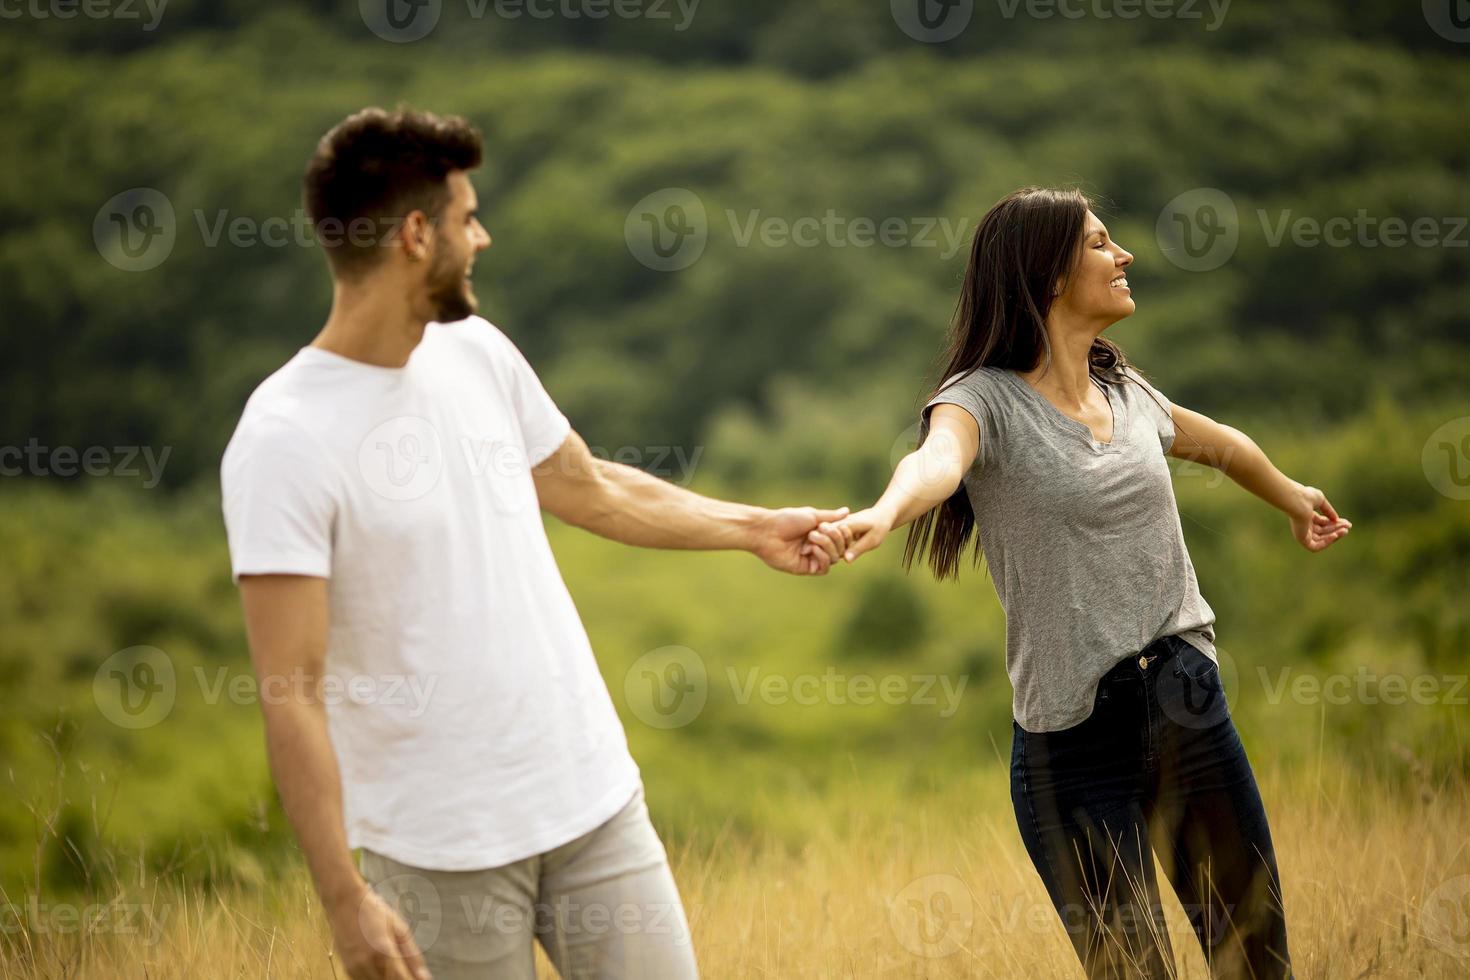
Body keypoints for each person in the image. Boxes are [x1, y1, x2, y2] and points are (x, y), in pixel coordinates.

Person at [220, 106, 853, 980]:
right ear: (413, 235)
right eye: (465, 218)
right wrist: (342, 900)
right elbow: (288, 689)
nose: (481, 238)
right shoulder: (282, 436)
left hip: (593, 802)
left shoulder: (475, 351)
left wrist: (752, 529)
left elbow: (586, 486)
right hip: (438, 855)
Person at [824, 187, 1351, 979]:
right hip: (1073, 748)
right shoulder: (981, 401)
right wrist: (885, 511)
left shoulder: (1127, 392)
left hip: (1188, 703)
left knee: (1256, 962)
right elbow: (935, 463)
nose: (1124, 255)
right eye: (1101, 243)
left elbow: (1220, 445)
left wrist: (1292, 496)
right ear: (1047, 276)